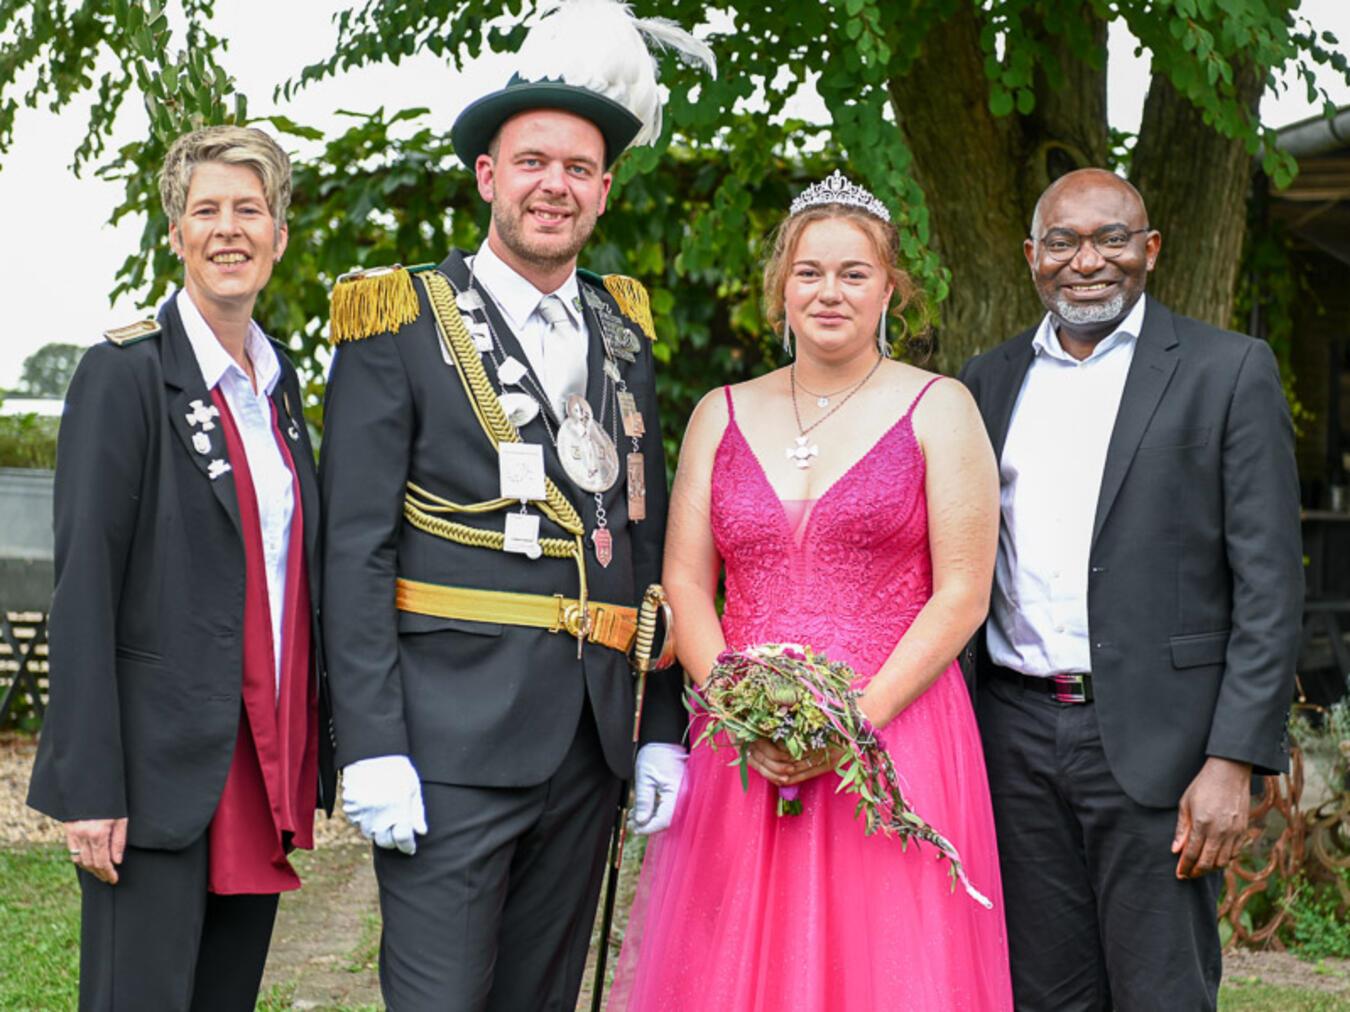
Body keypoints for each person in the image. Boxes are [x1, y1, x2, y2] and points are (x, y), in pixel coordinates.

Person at [317, 2, 714, 1008]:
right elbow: (354, 549)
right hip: (446, 743)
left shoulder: (624, 332)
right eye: (533, 161)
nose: (556, 186)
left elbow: (646, 541)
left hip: (586, 743)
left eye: (579, 169)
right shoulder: (397, 318)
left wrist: (661, 722)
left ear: (606, 191)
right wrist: (369, 741)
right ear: (489, 175)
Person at [608, 171, 1013, 1010]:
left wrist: (851, 724)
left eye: (854, 273)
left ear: (891, 289)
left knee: (887, 969)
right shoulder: (719, 414)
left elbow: (964, 593)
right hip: (744, 742)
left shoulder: (941, 409)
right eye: (809, 273)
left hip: (894, 736)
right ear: (779, 289)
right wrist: (735, 706)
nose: (830, 292)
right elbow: (685, 577)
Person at [959, 167, 1303, 1010]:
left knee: (1163, 993)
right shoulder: (985, 381)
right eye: (1064, 241)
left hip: (1165, 747)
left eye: (1111, 238)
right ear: (1031, 255)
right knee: (1043, 994)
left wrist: (1234, 759)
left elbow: (1269, 585)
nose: (1088, 261)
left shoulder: (1227, 371)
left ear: (1149, 249)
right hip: (1011, 739)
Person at [26, 124, 333, 1011]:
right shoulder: (121, 375)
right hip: (152, 777)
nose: (228, 228)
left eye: (250, 208)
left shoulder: (281, 386)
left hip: (257, 759)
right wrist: (90, 788)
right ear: (176, 233)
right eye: (206, 210)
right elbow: (82, 585)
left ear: (279, 234)